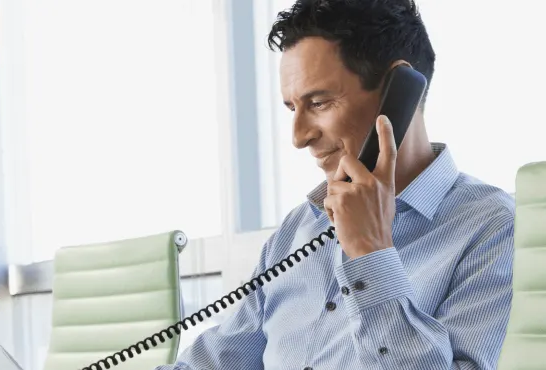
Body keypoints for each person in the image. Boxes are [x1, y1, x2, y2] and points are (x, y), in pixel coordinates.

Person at [155, 0, 514, 369]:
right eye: (293, 108)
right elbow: (214, 361)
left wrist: (371, 254)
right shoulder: (298, 230)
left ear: (398, 91)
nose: (299, 137)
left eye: (320, 102)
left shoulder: (495, 229)